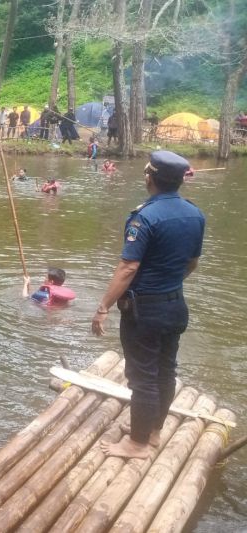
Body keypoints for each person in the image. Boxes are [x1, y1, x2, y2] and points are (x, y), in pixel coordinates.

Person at [93, 150, 205, 459]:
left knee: (142, 377)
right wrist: (168, 283)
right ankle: (153, 432)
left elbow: (127, 269)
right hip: (175, 305)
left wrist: (103, 306)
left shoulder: (144, 217)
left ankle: (137, 445)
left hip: (145, 311)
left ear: (149, 177)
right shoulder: (195, 214)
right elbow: (192, 263)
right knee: (165, 372)